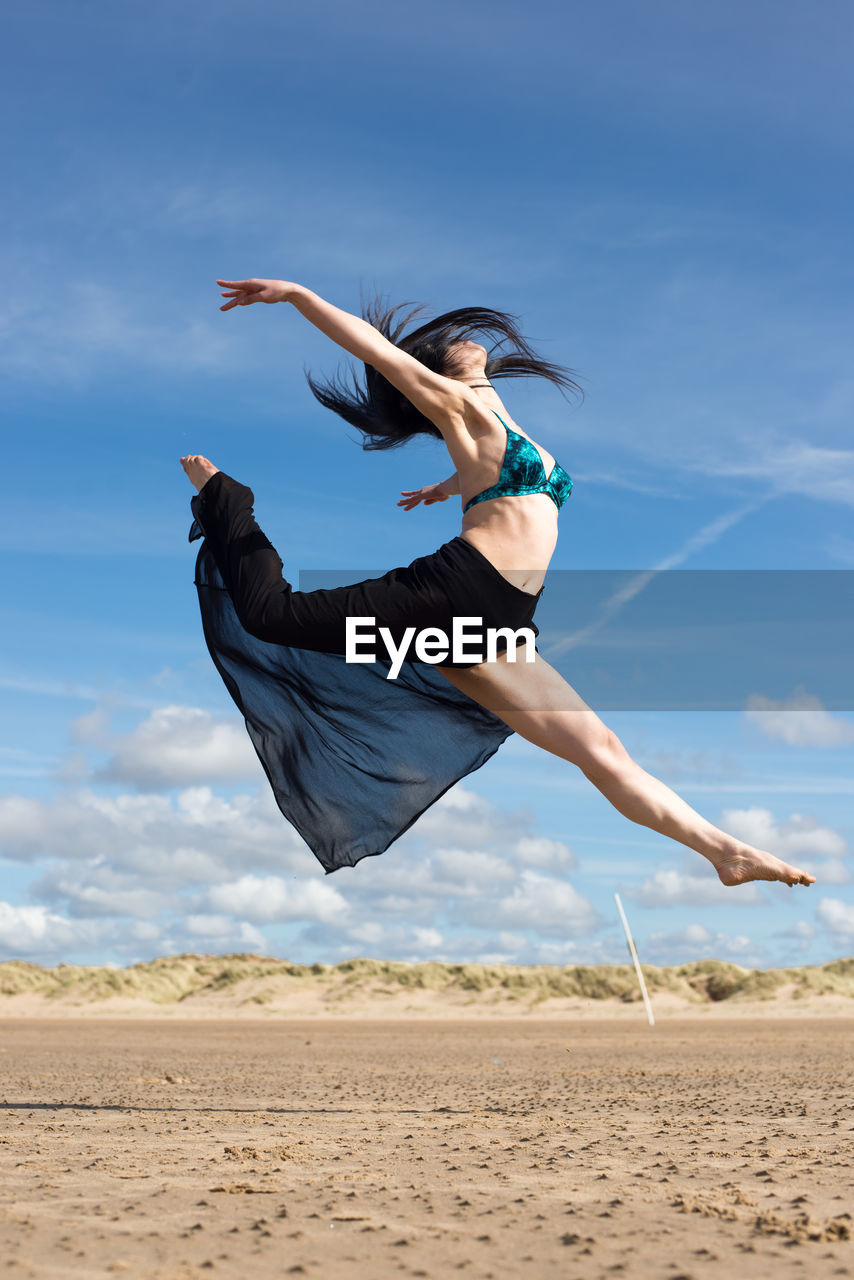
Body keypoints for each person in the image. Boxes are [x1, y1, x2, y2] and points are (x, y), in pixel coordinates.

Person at [181, 276, 815, 891]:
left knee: (600, 749)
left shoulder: (492, 423)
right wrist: (297, 297)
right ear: (440, 371)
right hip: (456, 590)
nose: (466, 338)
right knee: (271, 616)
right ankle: (226, 499)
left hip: (500, 617)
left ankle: (725, 852)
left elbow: (504, 478)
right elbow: (369, 347)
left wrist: (451, 485)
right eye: (451, 344)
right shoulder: (460, 407)